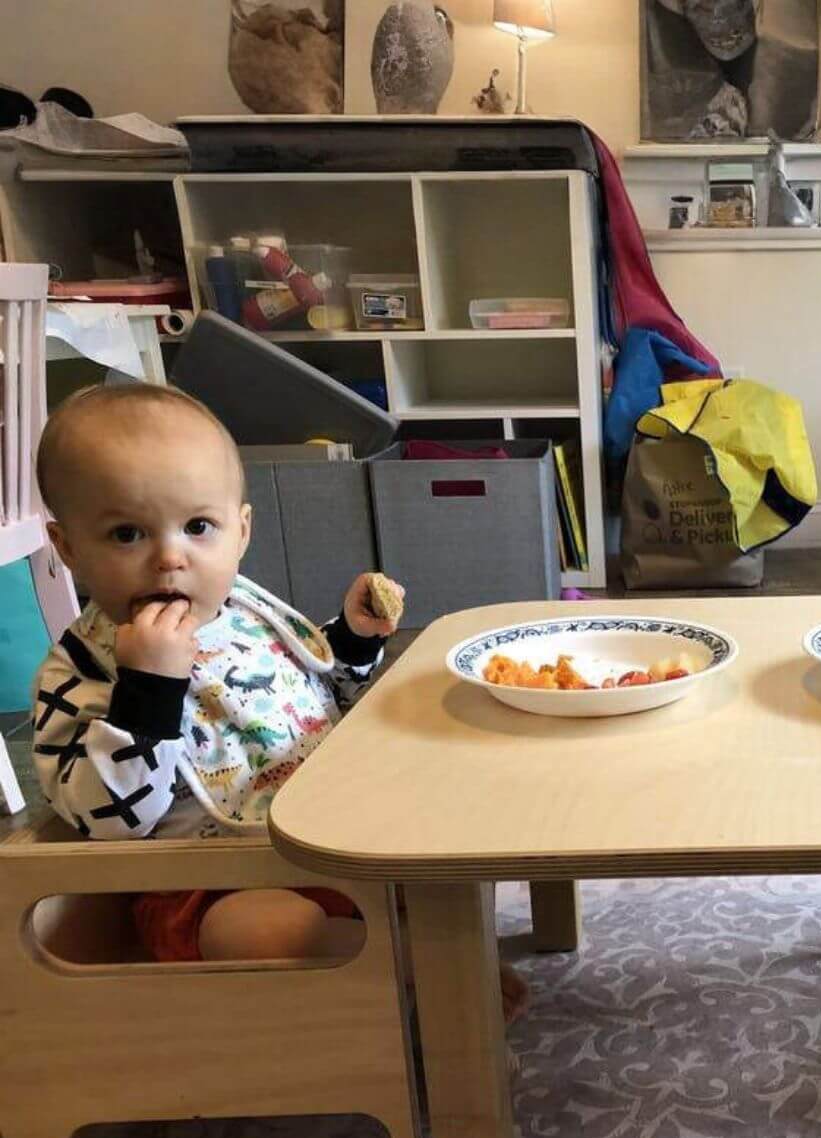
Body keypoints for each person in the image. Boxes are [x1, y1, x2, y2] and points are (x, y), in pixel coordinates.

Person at [29, 383, 532, 1015]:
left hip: (334, 840)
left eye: (198, 527)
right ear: (69, 548)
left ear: (240, 531)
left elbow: (318, 696)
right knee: (272, 931)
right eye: (127, 534)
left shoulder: (247, 611)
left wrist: (351, 639)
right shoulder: (80, 668)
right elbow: (106, 821)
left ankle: (423, 942)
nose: (169, 558)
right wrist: (149, 691)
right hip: (205, 888)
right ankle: (410, 966)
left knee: (451, 833)